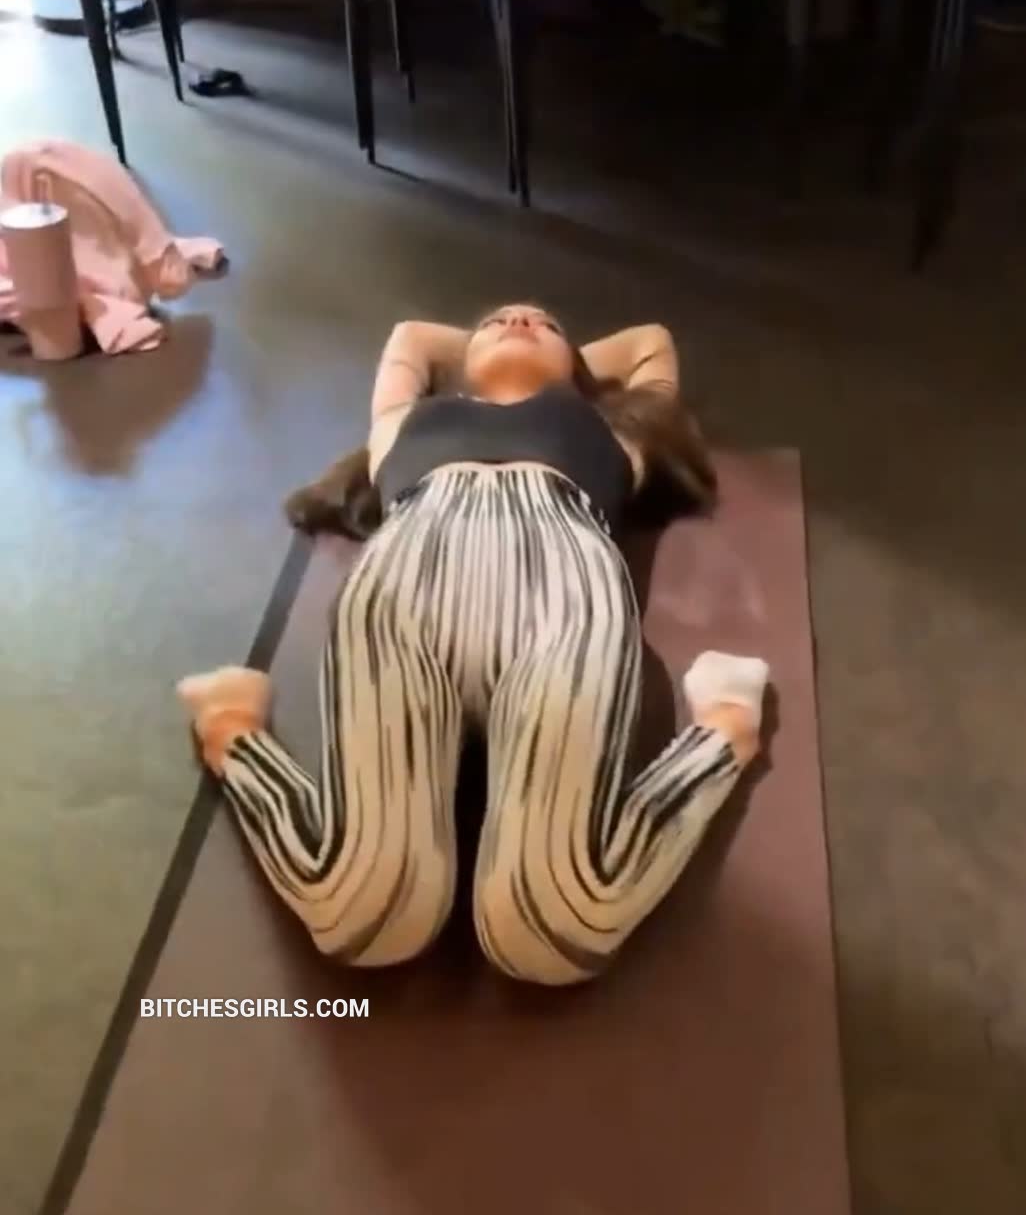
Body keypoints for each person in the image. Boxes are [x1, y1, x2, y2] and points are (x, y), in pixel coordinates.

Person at [177, 306, 770, 986]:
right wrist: (518, 343)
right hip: (404, 598)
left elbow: (649, 344)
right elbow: (410, 338)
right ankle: (232, 729)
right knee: (364, 924)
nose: (518, 318)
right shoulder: (401, 425)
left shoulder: (621, 430)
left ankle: (725, 730)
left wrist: (555, 360)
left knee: (552, 938)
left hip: (559, 605)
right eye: (497, 319)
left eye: (544, 323)